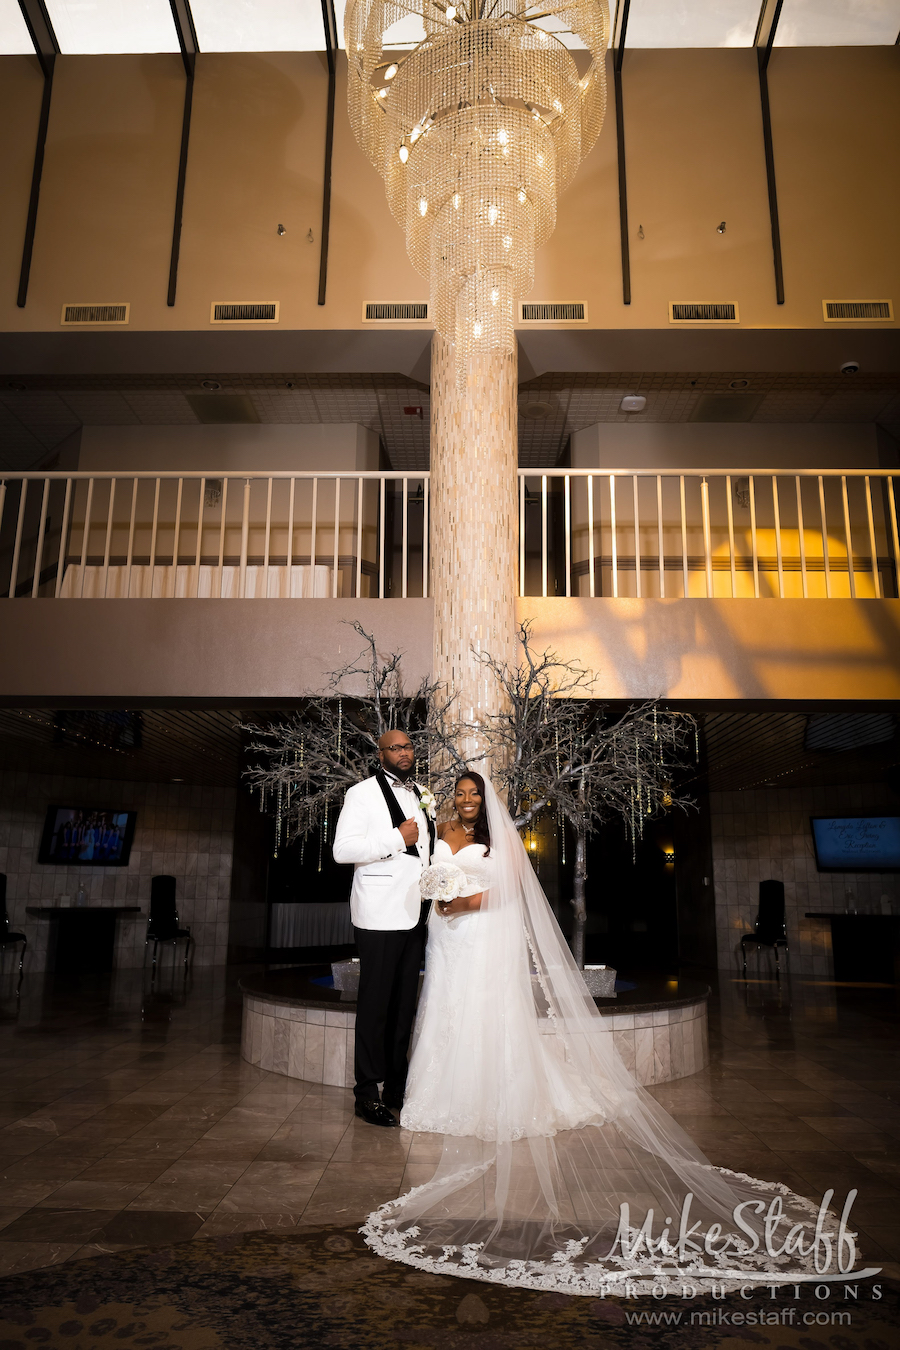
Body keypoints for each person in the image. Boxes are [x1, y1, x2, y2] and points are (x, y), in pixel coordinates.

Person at [362, 772, 852, 1294]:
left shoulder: (495, 838)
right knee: (442, 1008)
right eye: (459, 793)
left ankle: (494, 1086)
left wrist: (463, 904)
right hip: (444, 937)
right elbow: (427, 875)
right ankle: (438, 1087)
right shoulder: (436, 829)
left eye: (473, 793)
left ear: (484, 799)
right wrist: (439, 900)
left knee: (480, 1010)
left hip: (478, 932)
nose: (464, 800)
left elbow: (507, 891)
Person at [333, 730, 434, 1128]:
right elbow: (343, 851)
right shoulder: (361, 794)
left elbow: (424, 852)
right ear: (381, 754)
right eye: (395, 747)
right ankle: (366, 1093)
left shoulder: (422, 792)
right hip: (377, 914)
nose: (404, 752)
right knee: (375, 1007)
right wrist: (396, 837)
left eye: (408, 746)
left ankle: (396, 1086)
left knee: (403, 1005)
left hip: (416, 914)